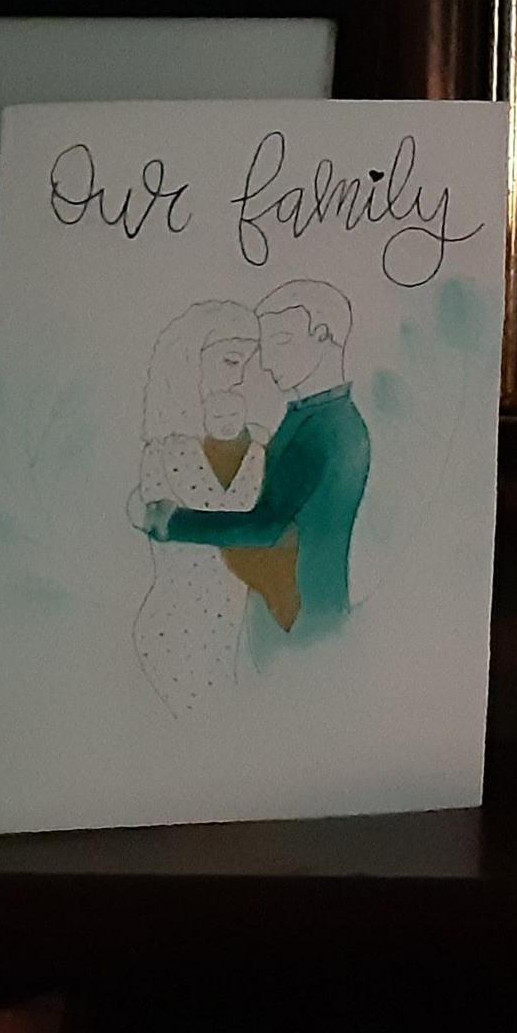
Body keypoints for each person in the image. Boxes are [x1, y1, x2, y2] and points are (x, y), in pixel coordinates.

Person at [140, 279, 369, 638]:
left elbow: (265, 528)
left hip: (301, 619)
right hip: (286, 611)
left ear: (323, 335)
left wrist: (174, 522)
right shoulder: (311, 417)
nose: (264, 361)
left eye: (279, 342)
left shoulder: (326, 428)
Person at [129, 302, 266, 715]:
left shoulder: (265, 446)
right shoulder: (165, 452)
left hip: (249, 634)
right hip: (179, 632)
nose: (241, 376)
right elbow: (152, 522)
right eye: (230, 361)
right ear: (190, 364)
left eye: (250, 363)